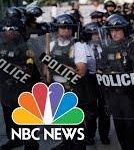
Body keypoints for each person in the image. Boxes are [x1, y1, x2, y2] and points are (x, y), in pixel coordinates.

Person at [99, 14, 134, 150]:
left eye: (118, 30)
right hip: (116, 99)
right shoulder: (107, 49)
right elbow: (101, 70)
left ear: (125, 30)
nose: (114, 33)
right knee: (122, 135)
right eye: (111, 31)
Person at [48, 14, 93, 149]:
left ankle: (78, 146)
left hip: (73, 88)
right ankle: (66, 143)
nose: (66, 30)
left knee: (76, 122)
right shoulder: (50, 44)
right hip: (56, 87)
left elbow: (81, 71)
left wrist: (55, 65)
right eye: (62, 27)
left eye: (69, 27)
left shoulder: (79, 46)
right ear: (57, 29)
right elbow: (46, 70)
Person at [0, 17, 39, 149]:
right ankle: (15, 139)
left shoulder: (28, 45)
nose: (8, 31)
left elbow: (32, 68)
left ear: (20, 31)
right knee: (9, 116)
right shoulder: (2, 44)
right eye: (6, 28)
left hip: (24, 87)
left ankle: (31, 145)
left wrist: (25, 68)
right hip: (6, 88)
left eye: (12, 29)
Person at [81, 22, 111, 145]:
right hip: (89, 80)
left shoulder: (104, 46)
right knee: (91, 111)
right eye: (94, 34)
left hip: (104, 79)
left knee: (105, 109)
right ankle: (90, 134)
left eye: (98, 33)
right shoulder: (82, 47)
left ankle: (104, 135)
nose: (97, 36)